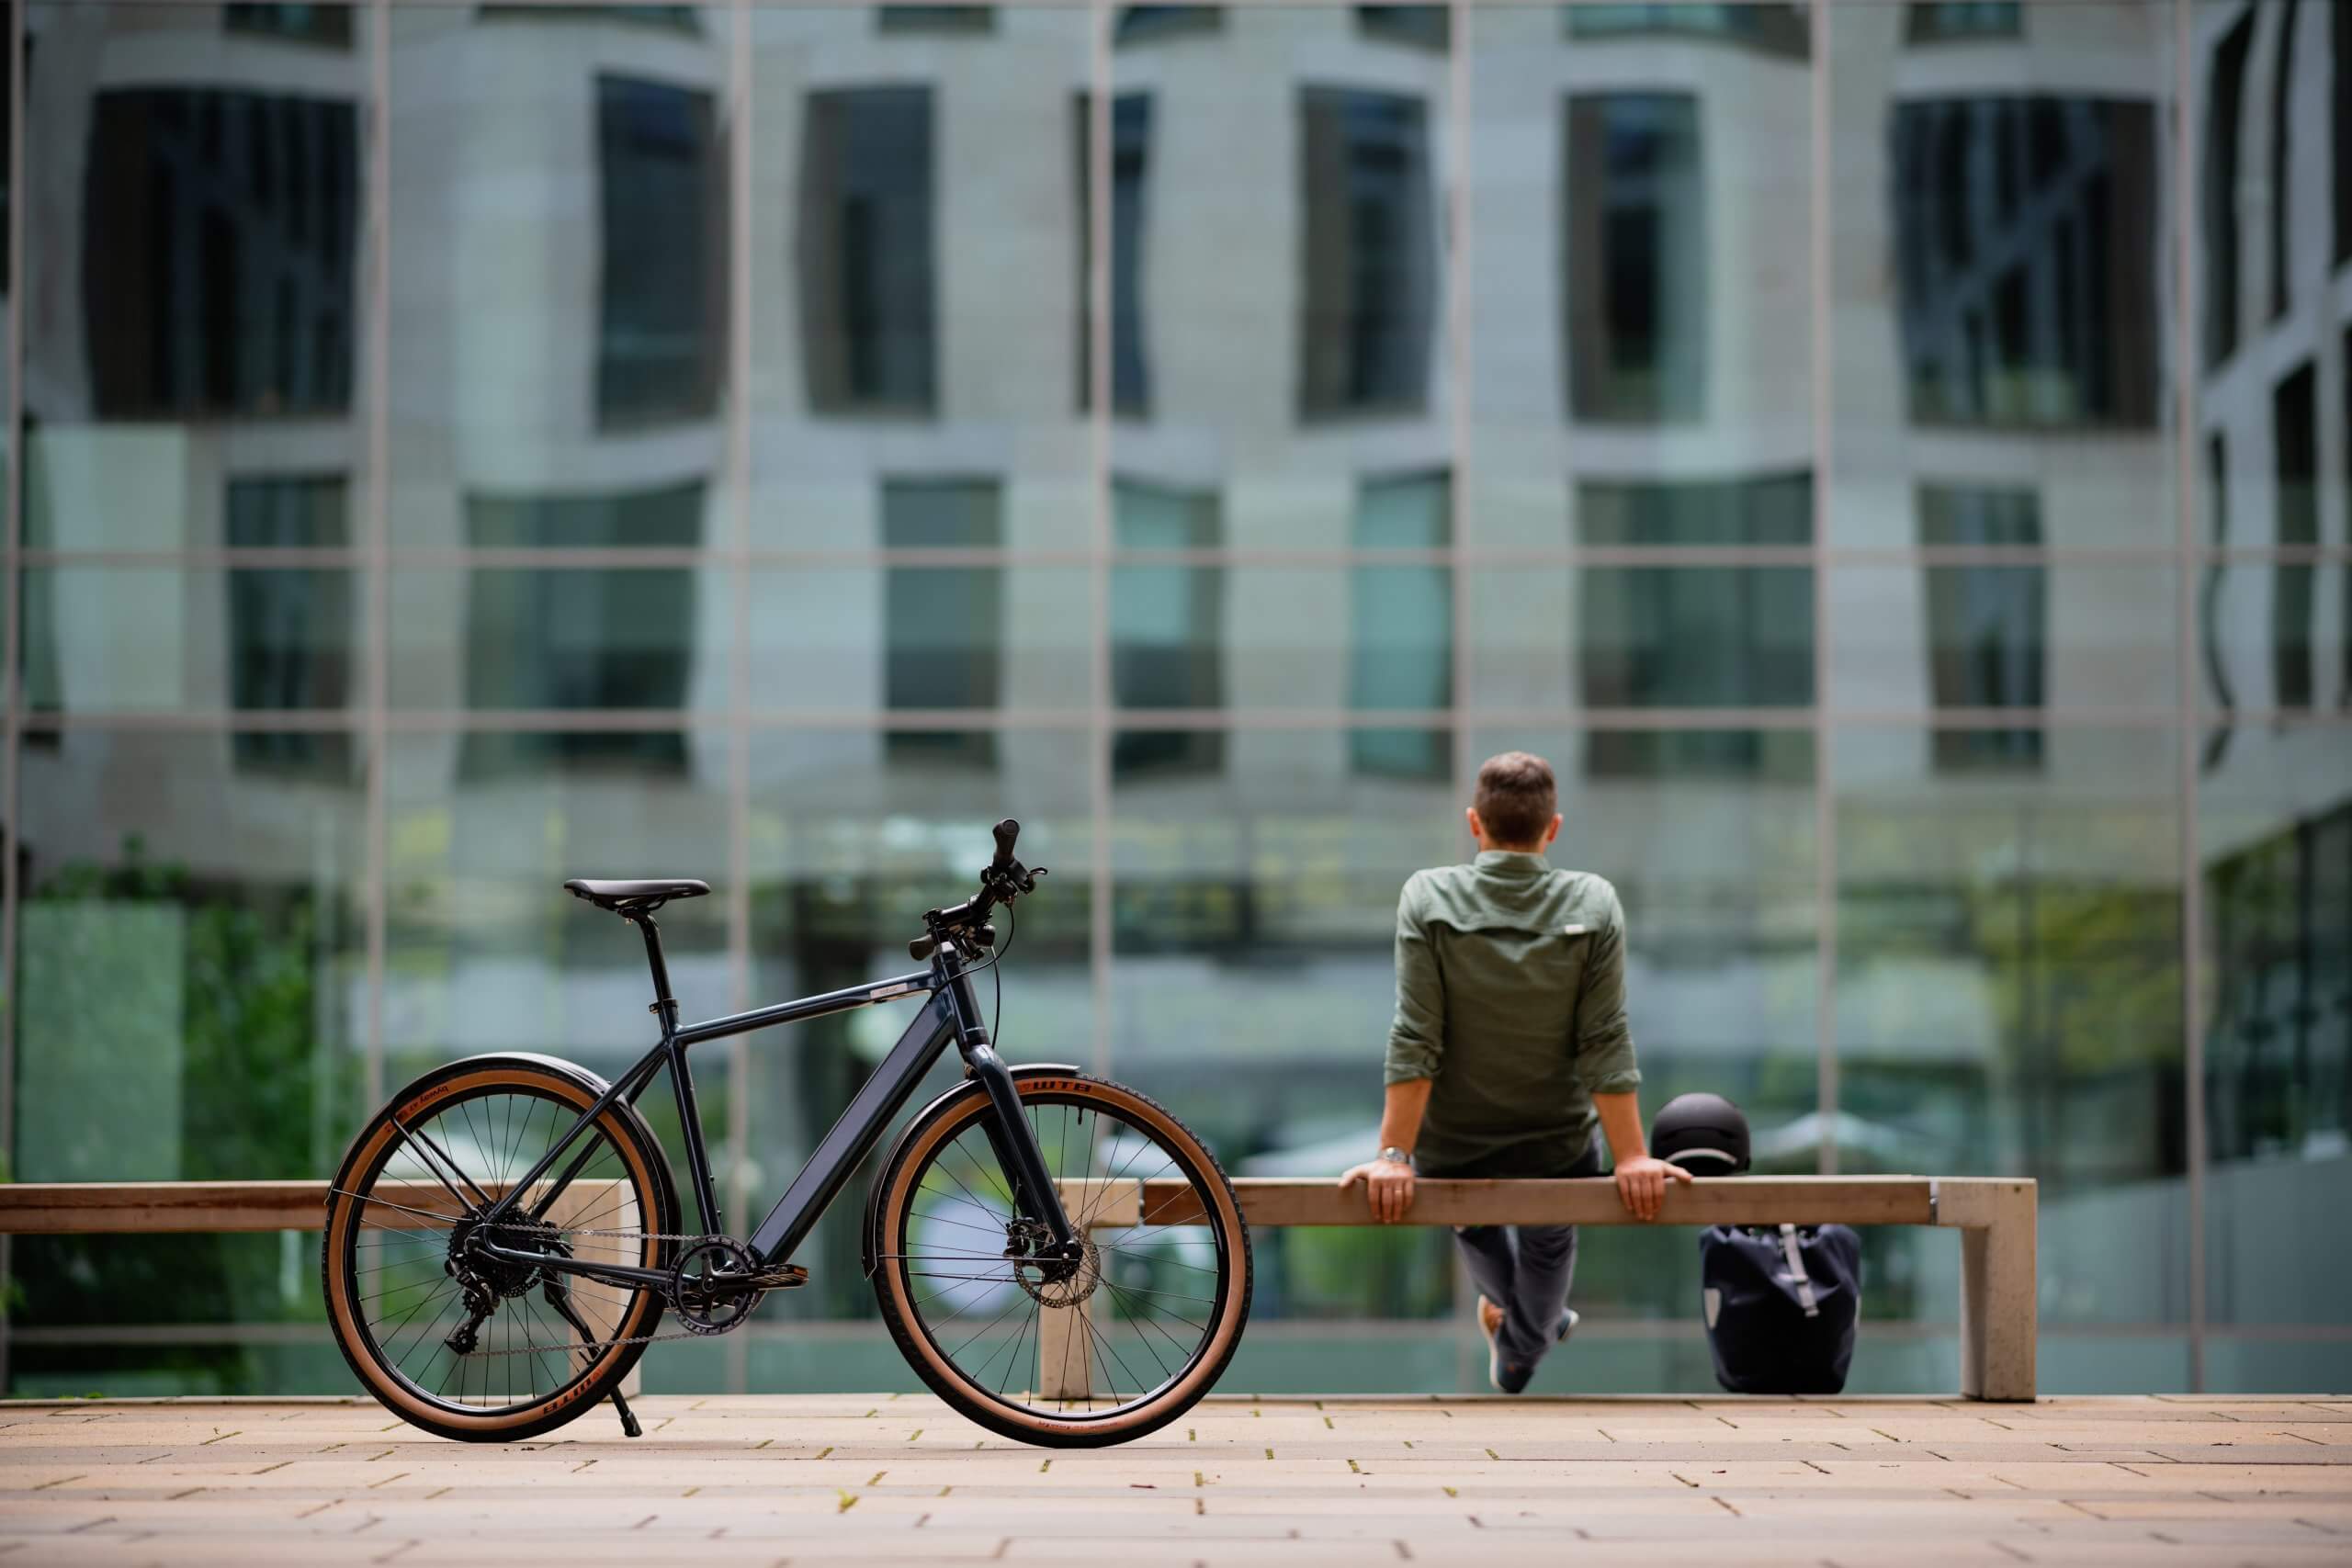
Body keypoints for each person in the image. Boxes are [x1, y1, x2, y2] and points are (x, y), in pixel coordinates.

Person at [1338, 750, 1690, 1393]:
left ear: (1475, 823)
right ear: (1553, 828)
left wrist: (1394, 1155)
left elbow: (1417, 1035)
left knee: (1472, 1219)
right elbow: (1603, 1038)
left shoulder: (1427, 896)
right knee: (1547, 1245)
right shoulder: (1594, 901)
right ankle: (1530, 1339)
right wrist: (1632, 1156)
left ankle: (1530, 1330)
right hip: (1556, 1145)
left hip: (1452, 1146)